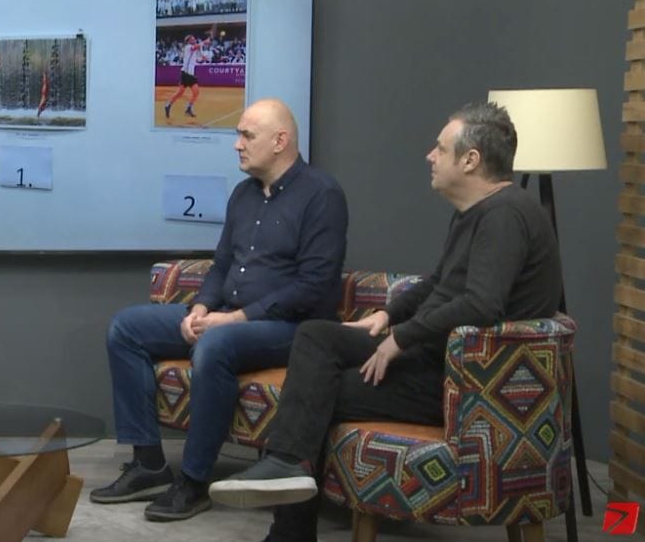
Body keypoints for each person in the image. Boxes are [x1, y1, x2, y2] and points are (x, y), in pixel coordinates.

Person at [208, 102, 563, 542]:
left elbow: (481, 304)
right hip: (432, 355)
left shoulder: (505, 215)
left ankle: (288, 524)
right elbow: (438, 283)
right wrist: (388, 315)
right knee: (316, 337)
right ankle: (286, 465)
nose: (430, 156)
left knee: (315, 394)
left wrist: (401, 338)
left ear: (470, 160)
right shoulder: (475, 211)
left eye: (440, 148)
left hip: (463, 382)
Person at [90, 98, 349, 522]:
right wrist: (201, 307)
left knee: (215, 345)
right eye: (238, 134)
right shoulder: (243, 194)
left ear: (280, 141)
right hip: (228, 314)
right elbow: (222, 264)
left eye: (247, 135)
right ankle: (148, 465)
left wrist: (233, 319)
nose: (237, 144)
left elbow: (314, 286)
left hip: (293, 328)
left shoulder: (322, 195)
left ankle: (194, 482)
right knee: (126, 327)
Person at [165, 34, 209, 119]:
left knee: (196, 92)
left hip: (191, 75)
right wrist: (204, 42)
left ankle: (188, 108)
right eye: (192, 39)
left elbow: (198, 59)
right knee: (180, 93)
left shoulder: (194, 50)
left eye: (194, 39)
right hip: (185, 74)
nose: (194, 40)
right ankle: (168, 105)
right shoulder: (188, 47)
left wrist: (203, 58)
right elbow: (195, 47)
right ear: (188, 41)